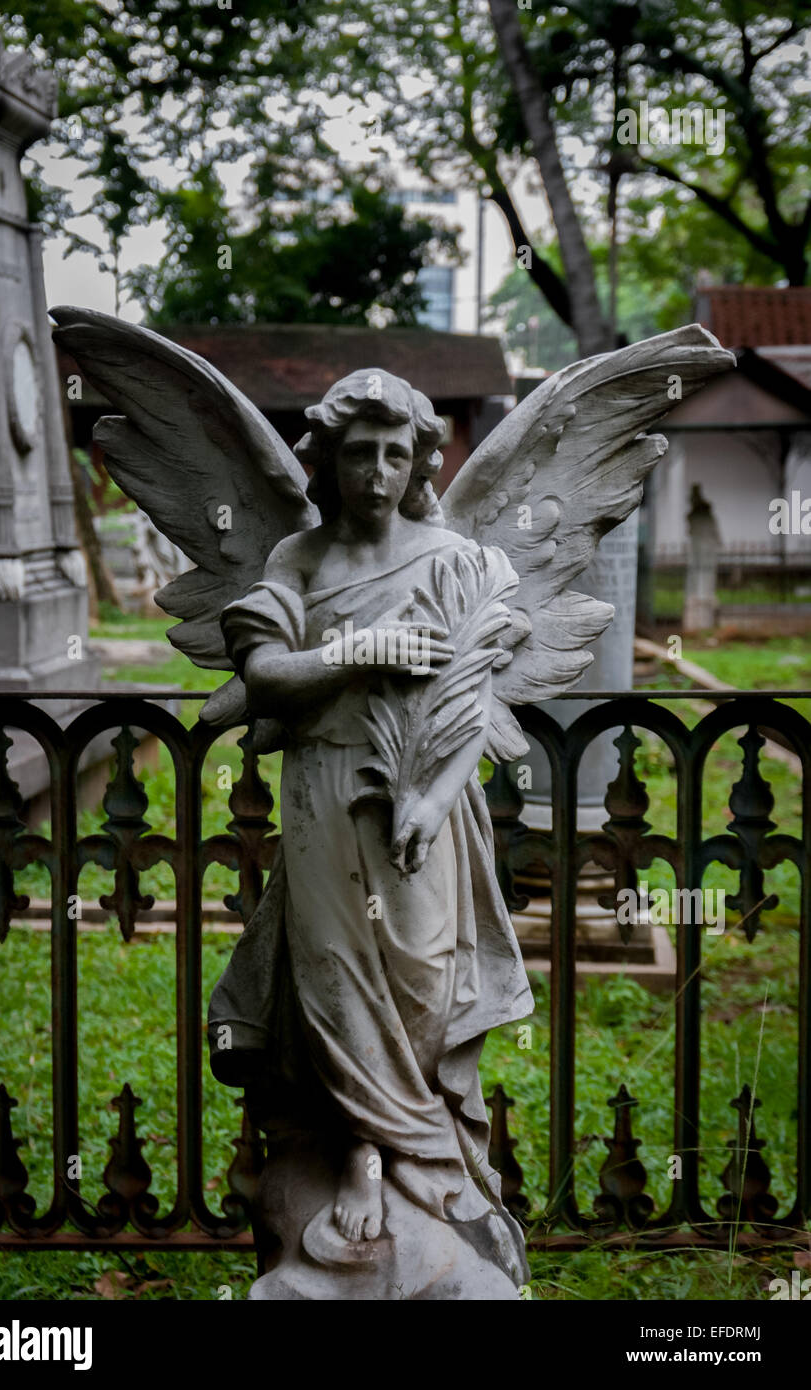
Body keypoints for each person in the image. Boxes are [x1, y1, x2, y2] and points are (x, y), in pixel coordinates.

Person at [209, 368, 533, 1257]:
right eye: (360, 454)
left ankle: (423, 1142)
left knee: (422, 970)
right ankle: (365, 1150)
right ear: (330, 461)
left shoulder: (457, 562)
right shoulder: (301, 561)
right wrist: (360, 649)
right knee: (335, 975)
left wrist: (432, 797)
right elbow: (266, 674)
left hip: (426, 796)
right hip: (323, 786)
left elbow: (471, 696)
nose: (379, 472)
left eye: (397, 454)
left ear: (423, 460)